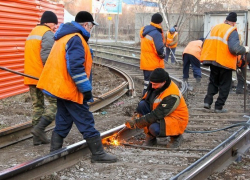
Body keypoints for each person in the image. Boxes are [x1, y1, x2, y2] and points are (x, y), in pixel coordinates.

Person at [37, 11, 117, 163]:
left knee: (64, 119)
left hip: (61, 88)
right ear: (86, 25)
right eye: (91, 26)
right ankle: (98, 153)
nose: (91, 30)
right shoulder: (76, 39)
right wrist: (85, 89)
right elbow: (75, 67)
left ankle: (55, 151)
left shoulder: (65, 37)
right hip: (70, 89)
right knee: (85, 119)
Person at [125, 68, 189, 148]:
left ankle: (176, 137)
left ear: (164, 82)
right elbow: (145, 100)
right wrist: (135, 117)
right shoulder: (155, 85)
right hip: (161, 114)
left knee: (154, 129)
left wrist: (137, 123)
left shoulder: (172, 95)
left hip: (175, 119)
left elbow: (157, 114)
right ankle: (151, 136)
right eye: (151, 83)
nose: (152, 86)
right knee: (142, 105)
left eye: (154, 84)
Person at [200, 12, 248, 113]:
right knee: (225, 85)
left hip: (213, 60)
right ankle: (219, 107)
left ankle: (207, 101)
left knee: (213, 81)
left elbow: (204, 42)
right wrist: (244, 49)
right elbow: (234, 48)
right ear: (234, 23)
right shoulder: (232, 30)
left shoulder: (215, 28)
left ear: (225, 20)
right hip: (225, 62)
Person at [24, 11, 58, 146]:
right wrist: (52, 75)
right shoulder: (47, 33)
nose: (55, 26)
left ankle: (37, 138)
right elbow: (47, 57)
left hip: (30, 76)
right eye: (54, 23)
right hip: (42, 76)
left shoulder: (33, 32)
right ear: (48, 22)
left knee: (37, 106)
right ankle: (40, 128)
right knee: (56, 104)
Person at [140, 13, 166, 96]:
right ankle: (150, 102)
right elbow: (159, 50)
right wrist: (163, 55)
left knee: (147, 84)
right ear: (159, 22)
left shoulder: (145, 31)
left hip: (145, 63)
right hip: (154, 64)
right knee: (154, 86)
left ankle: (144, 100)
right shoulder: (156, 33)